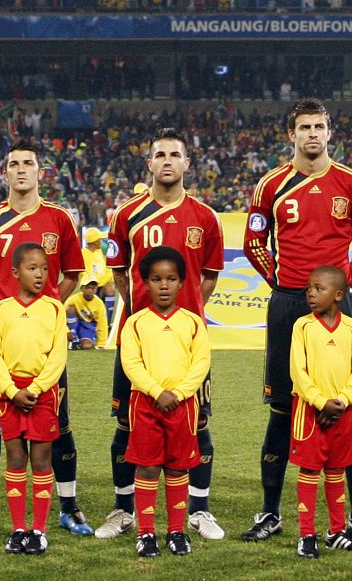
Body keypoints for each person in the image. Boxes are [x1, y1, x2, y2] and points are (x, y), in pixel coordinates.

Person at [241, 102, 352, 544]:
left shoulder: (351, 183)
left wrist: (343, 285)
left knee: (347, 407)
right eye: (305, 127)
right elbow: (253, 242)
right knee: (283, 409)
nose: (313, 134)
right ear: (291, 135)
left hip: (339, 311)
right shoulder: (272, 185)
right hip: (288, 306)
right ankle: (270, 512)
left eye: (320, 126)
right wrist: (283, 284)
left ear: (330, 132)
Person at [0, 141, 86, 535]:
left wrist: (44, 313)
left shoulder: (60, 220)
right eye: (14, 164)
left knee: (58, 426)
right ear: (4, 173)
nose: (22, 170)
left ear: (40, 171)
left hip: (45, 349)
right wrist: (10, 316)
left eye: (29, 163)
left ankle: (70, 507)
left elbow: (73, 274)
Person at [98, 129, 225, 541]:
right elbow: (120, 274)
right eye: (160, 155)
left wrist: (186, 314)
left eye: (175, 154)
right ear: (149, 163)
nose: (167, 161)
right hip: (138, 340)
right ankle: (123, 508)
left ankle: (199, 511)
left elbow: (209, 278)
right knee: (127, 422)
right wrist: (144, 316)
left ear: (187, 164)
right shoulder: (125, 214)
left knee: (197, 421)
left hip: (187, 341)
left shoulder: (205, 218)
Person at [119, 246, 211, 559]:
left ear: (182, 283)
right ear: (145, 283)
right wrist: (157, 391)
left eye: (170, 279)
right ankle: (146, 534)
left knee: (176, 468)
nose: (163, 285)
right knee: (146, 468)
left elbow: (201, 362)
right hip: (145, 403)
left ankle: (176, 531)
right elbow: (130, 363)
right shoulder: (135, 322)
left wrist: (181, 392)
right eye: (156, 279)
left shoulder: (193, 322)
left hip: (183, 405)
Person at [0, 243, 69, 555]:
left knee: (41, 460)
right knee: (16, 458)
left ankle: (40, 530)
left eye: (45, 269)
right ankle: (18, 528)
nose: (39, 274)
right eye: (32, 268)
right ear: (15, 272)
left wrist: (35, 389)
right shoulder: (1, 309)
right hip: (9, 394)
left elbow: (57, 356)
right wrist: (11, 390)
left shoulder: (54, 308)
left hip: (42, 393)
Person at [288, 266, 352, 558]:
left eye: (318, 288)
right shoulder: (302, 326)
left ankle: (337, 531)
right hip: (309, 411)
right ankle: (306, 534)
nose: (311, 293)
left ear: (338, 296)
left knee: (336, 470)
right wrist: (319, 400)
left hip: (343, 411)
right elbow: (298, 371)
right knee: (310, 470)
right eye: (309, 287)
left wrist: (344, 399)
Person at [67, 280, 109, 349]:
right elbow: (61, 316)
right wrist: (67, 331)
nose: (90, 291)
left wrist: (101, 343)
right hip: (74, 323)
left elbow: (102, 323)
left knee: (87, 346)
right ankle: (73, 336)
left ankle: (77, 342)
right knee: (70, 309)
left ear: (96, 289)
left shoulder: (99, 303)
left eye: (93, 288)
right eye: (87, 288)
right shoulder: (73, 299)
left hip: (88, 326)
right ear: (81, 288)